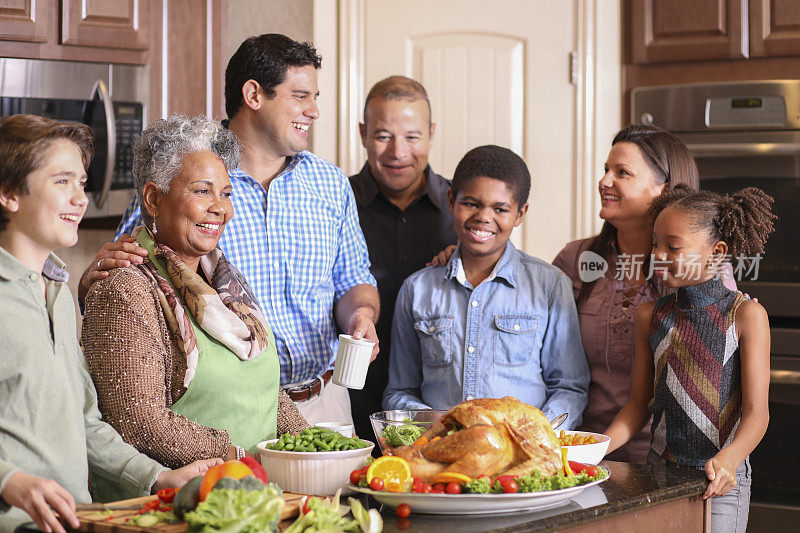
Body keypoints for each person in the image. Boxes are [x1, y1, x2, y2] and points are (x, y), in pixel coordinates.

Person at [77, 34, 379, 426]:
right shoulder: (184, 179)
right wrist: (94, 281)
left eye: (315, 97)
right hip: (225, 406)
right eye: (301, 96)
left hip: (324, 400)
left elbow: (352, 279)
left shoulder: (331, 184)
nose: (314, 111)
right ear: (254, 94)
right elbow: (130, 283)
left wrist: (361, 314)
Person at [0, 115, 218, 533]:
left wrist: (156, 477)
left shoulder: (58, 296)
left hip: (74, 521)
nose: (80, 198)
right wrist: (10, 480)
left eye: (82, 183)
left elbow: (85, 422)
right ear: (9, 194)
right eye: (62, 181)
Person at [81, 116, 309, 499]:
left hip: (251, 494)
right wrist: (244, 457)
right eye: (203, 191)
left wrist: (312, 446)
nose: (220, 208)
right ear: (153, 199)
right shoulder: (126, 289)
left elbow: (261, 388)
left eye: (226, 193)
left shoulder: (224, 283)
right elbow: (139, 421)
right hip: (173, 507)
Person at [604, 186, 774, 533]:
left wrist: (729, 459)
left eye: (673, 246)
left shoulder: (746, 315)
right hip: (659, 475)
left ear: (717, 252)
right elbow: (637, 406)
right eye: (655, 244)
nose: (658, 255)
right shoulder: (648, 316)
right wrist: (594, 449)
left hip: (721, 484)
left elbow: (757, 413)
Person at [383, 145, 589, 428]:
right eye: (471, 203)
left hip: (522, 457)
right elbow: (399, 392)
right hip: (442, 455)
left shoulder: (551, 287)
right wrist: (441, 426)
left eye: (500, 208)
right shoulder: (416, 290)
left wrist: (531, 434)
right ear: (451, 199)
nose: (483, 216)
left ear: (520, 213)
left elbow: (569, 388)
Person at [552, 125, 718, 462]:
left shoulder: (706, 271)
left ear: (664, 190)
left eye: (622, 173)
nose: (604, 181)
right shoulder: (575, 260)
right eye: (605, 170)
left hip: (667, 461)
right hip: (580, 451)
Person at [348, 76, 457, 445]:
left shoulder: (465, 209)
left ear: (431, 133)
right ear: (363, 133)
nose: (398, 152)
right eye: (383, 136)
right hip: (348, 395)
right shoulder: (332, 201)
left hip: (435, 406)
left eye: (412, 137)